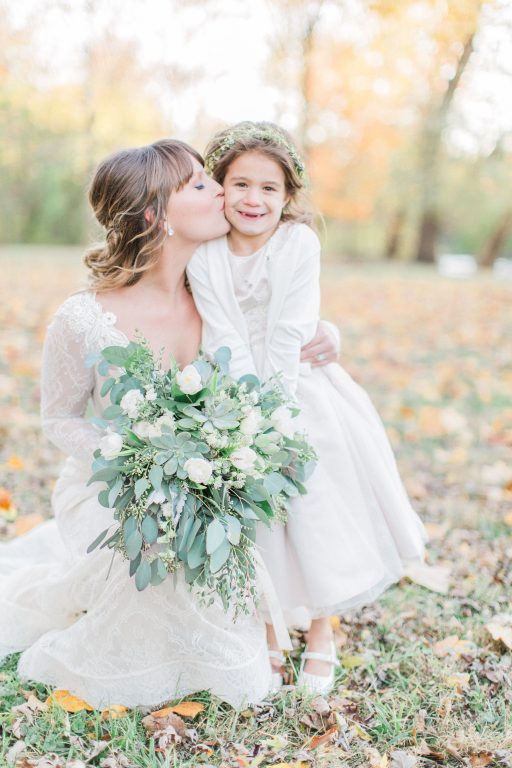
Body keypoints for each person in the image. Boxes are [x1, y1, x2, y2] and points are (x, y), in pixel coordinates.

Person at [0, 138, 338, 709]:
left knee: (207, 580)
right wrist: (134, 459)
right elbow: (58, 417)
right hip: (109, 485)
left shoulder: (216, 297)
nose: (223, 193)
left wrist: (329, 332)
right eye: (202, 185)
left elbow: (280, 318)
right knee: (147, 572)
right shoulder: (83, 316)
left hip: (207, 485)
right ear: (158, 215)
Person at [186, 122, 428, 696]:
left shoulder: (299, 244)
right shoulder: (206, 254)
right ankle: (270, 627)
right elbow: (224, 337)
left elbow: (291, 330)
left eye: (268, 188)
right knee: (258, 519)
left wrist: (279, 420)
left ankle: (322, 630)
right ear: (220, 188)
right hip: (234, 389)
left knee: (317, 506)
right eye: (240, 184)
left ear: (288, 197)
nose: (253, 199)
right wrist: (248, 420)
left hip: (302, 385)